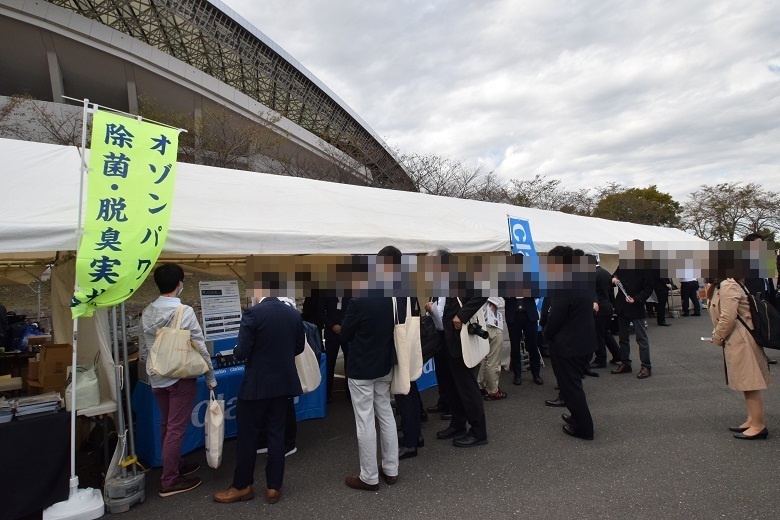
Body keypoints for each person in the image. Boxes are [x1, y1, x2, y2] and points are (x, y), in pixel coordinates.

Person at [213, 296, 305, 504]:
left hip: (257, 383)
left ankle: (242, 485)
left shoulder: (253, 313)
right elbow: (299, 347)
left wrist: (239, 351)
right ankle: (274, 486)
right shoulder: (293, 313)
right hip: (283, 382)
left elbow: (242, 351)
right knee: (277, 433)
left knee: (248, 436)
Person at [138, 263, 216, 498]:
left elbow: (145, 347)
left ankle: (175, 463)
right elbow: (199, 344)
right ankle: (170, 479)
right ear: (179, 284)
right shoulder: (184, 312)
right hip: (180, 375)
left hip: (157, 376)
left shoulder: (148, 311)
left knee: (167, 424)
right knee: (175, 428)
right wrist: (210, 375)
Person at [339, 246, 401, 491]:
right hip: (384, 365)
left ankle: (369, 476)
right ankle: (391, 468)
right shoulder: (393, 298)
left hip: (361, 368)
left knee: (365, 420)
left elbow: (345, 334)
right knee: (385, 414)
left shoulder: (359, 300)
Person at [543, 246, 597, 440]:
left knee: (571, 389)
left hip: (568, 345)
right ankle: (576, 418)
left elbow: (555, 318)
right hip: (583, 342)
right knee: (574, 386)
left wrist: (546, 334)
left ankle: (584, 429)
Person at [708, 277, 770, 440]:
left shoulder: (727, 285)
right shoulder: (727, 283)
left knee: (750, 383)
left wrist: (717, 336)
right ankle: (752, 420)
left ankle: (758, 425)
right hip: (739, 338)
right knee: (746, 382)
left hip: (741, 339)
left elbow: (728, 317)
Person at [437, 286, 489, 448]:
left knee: (467, 386)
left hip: (460, 340)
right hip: (445, 339)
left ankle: (478, 432)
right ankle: (458, 424)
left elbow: (482, 292)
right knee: (451, 386)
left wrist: (461, 315)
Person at [611, 241, 654, 379]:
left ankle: (646, 366)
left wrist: (636, 299)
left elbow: (648, 289)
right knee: (623, 337)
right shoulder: (624, 263)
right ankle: (625, 363)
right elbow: (615, 275)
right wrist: (614, 279)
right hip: (622, 305)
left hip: (635, 305)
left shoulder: (647, 266)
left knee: (641, 338)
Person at [589, 255, 620, 368]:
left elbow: (591, 293)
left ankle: (600, 359)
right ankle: (618, 354)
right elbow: (611, 292)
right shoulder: (606, 272)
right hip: (608, 307)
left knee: (598, 335)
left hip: (598, 308)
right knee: (605, 333)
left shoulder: (592, 275)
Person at [505, 296, 543, 385]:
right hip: (513, 314)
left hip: (529, 314)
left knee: (533, 346)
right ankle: (517, 375)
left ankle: (536, 374)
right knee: (515, 346)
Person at [323, 296, 352, 403]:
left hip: (347, 332)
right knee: (330, 364)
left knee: (349, 364)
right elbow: (321, 312)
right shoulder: (327, 292)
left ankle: (350, 393)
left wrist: (346, 325)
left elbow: (354, 311)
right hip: (331, 333)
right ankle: (327, 394)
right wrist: (331, 326)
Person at [478, 297, 507, 400]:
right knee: (493, 360)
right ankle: (492, 391)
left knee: (486, 357)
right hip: (491, 324)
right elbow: (500, 302)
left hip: (482, 324)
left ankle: (481, 385)